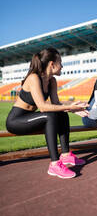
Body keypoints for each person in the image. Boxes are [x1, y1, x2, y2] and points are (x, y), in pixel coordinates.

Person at [6, 48, 89, 178]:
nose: (62, 66)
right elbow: (43, 107)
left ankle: (66, 155)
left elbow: (57, 104)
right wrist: (70, 107)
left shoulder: (52, 81)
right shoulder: (34, 78)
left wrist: (73, 108)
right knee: (49, 115)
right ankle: (54, 164)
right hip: (16, 121)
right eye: (60, 62)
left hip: (30, 118)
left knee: (62, 114)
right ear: (52, 64)